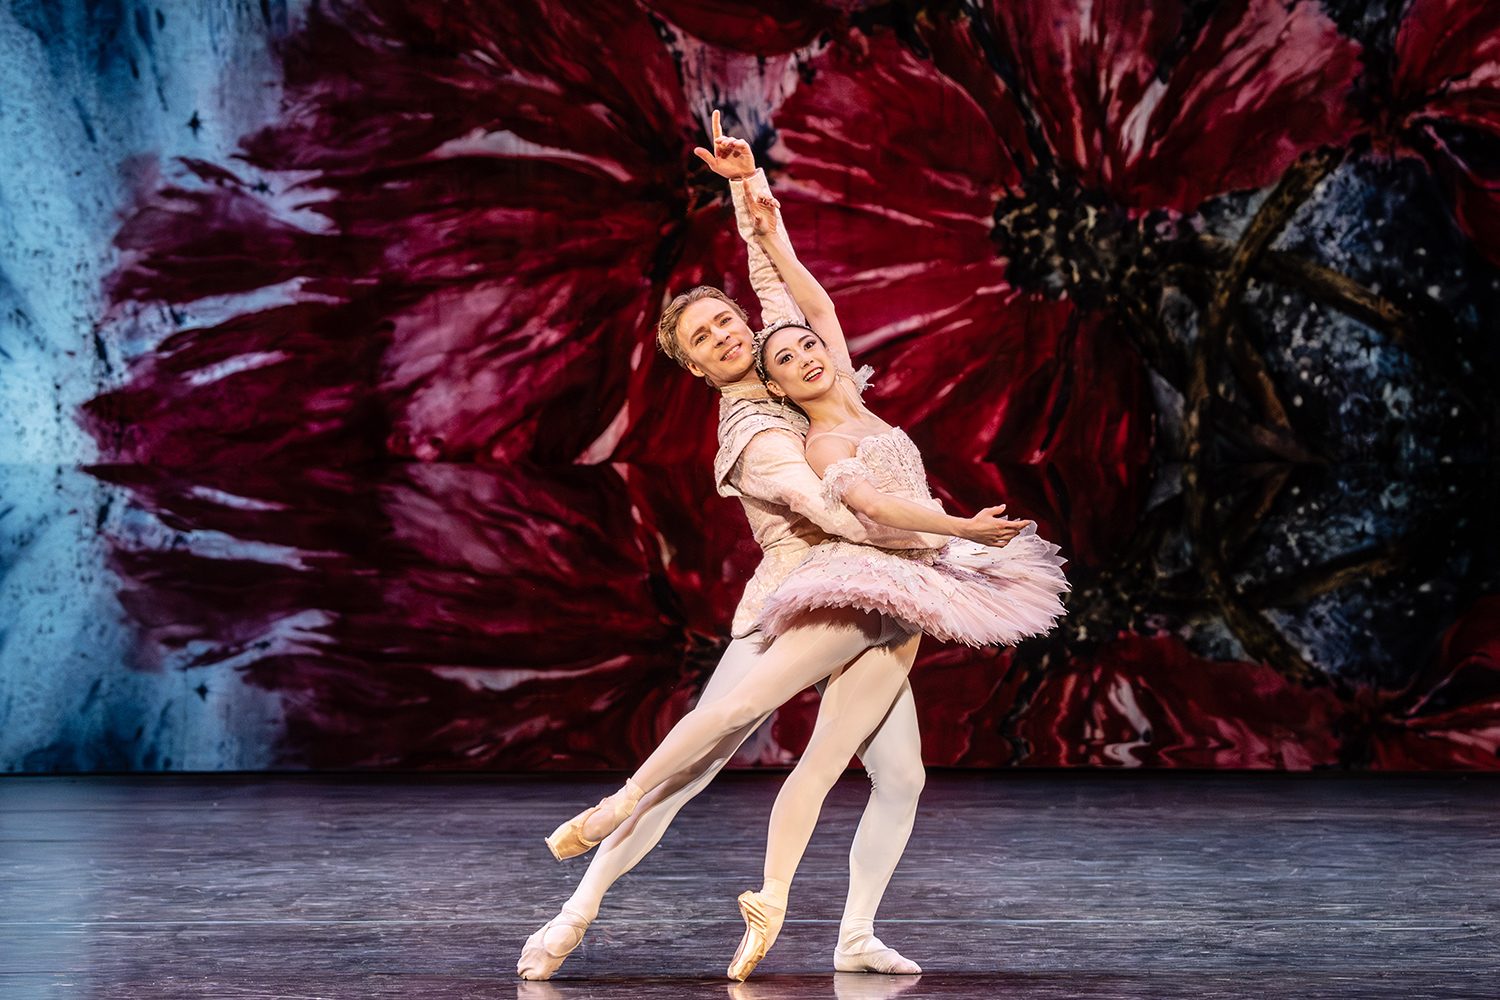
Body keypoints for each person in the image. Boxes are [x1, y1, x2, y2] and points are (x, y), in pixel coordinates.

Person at [541, 118, 1065, 981]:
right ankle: (576, 909)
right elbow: (840, 512)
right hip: (798, 594)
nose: (727, 336)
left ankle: (854, 934)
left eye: (726, 323)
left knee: (901, 776)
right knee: (698, 762)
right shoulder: (751, 431)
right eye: (706, 340)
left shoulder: (791, 359)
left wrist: (745, 187)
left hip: (879, 590)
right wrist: (948, 536)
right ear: (698, 370)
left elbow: (780, 278)